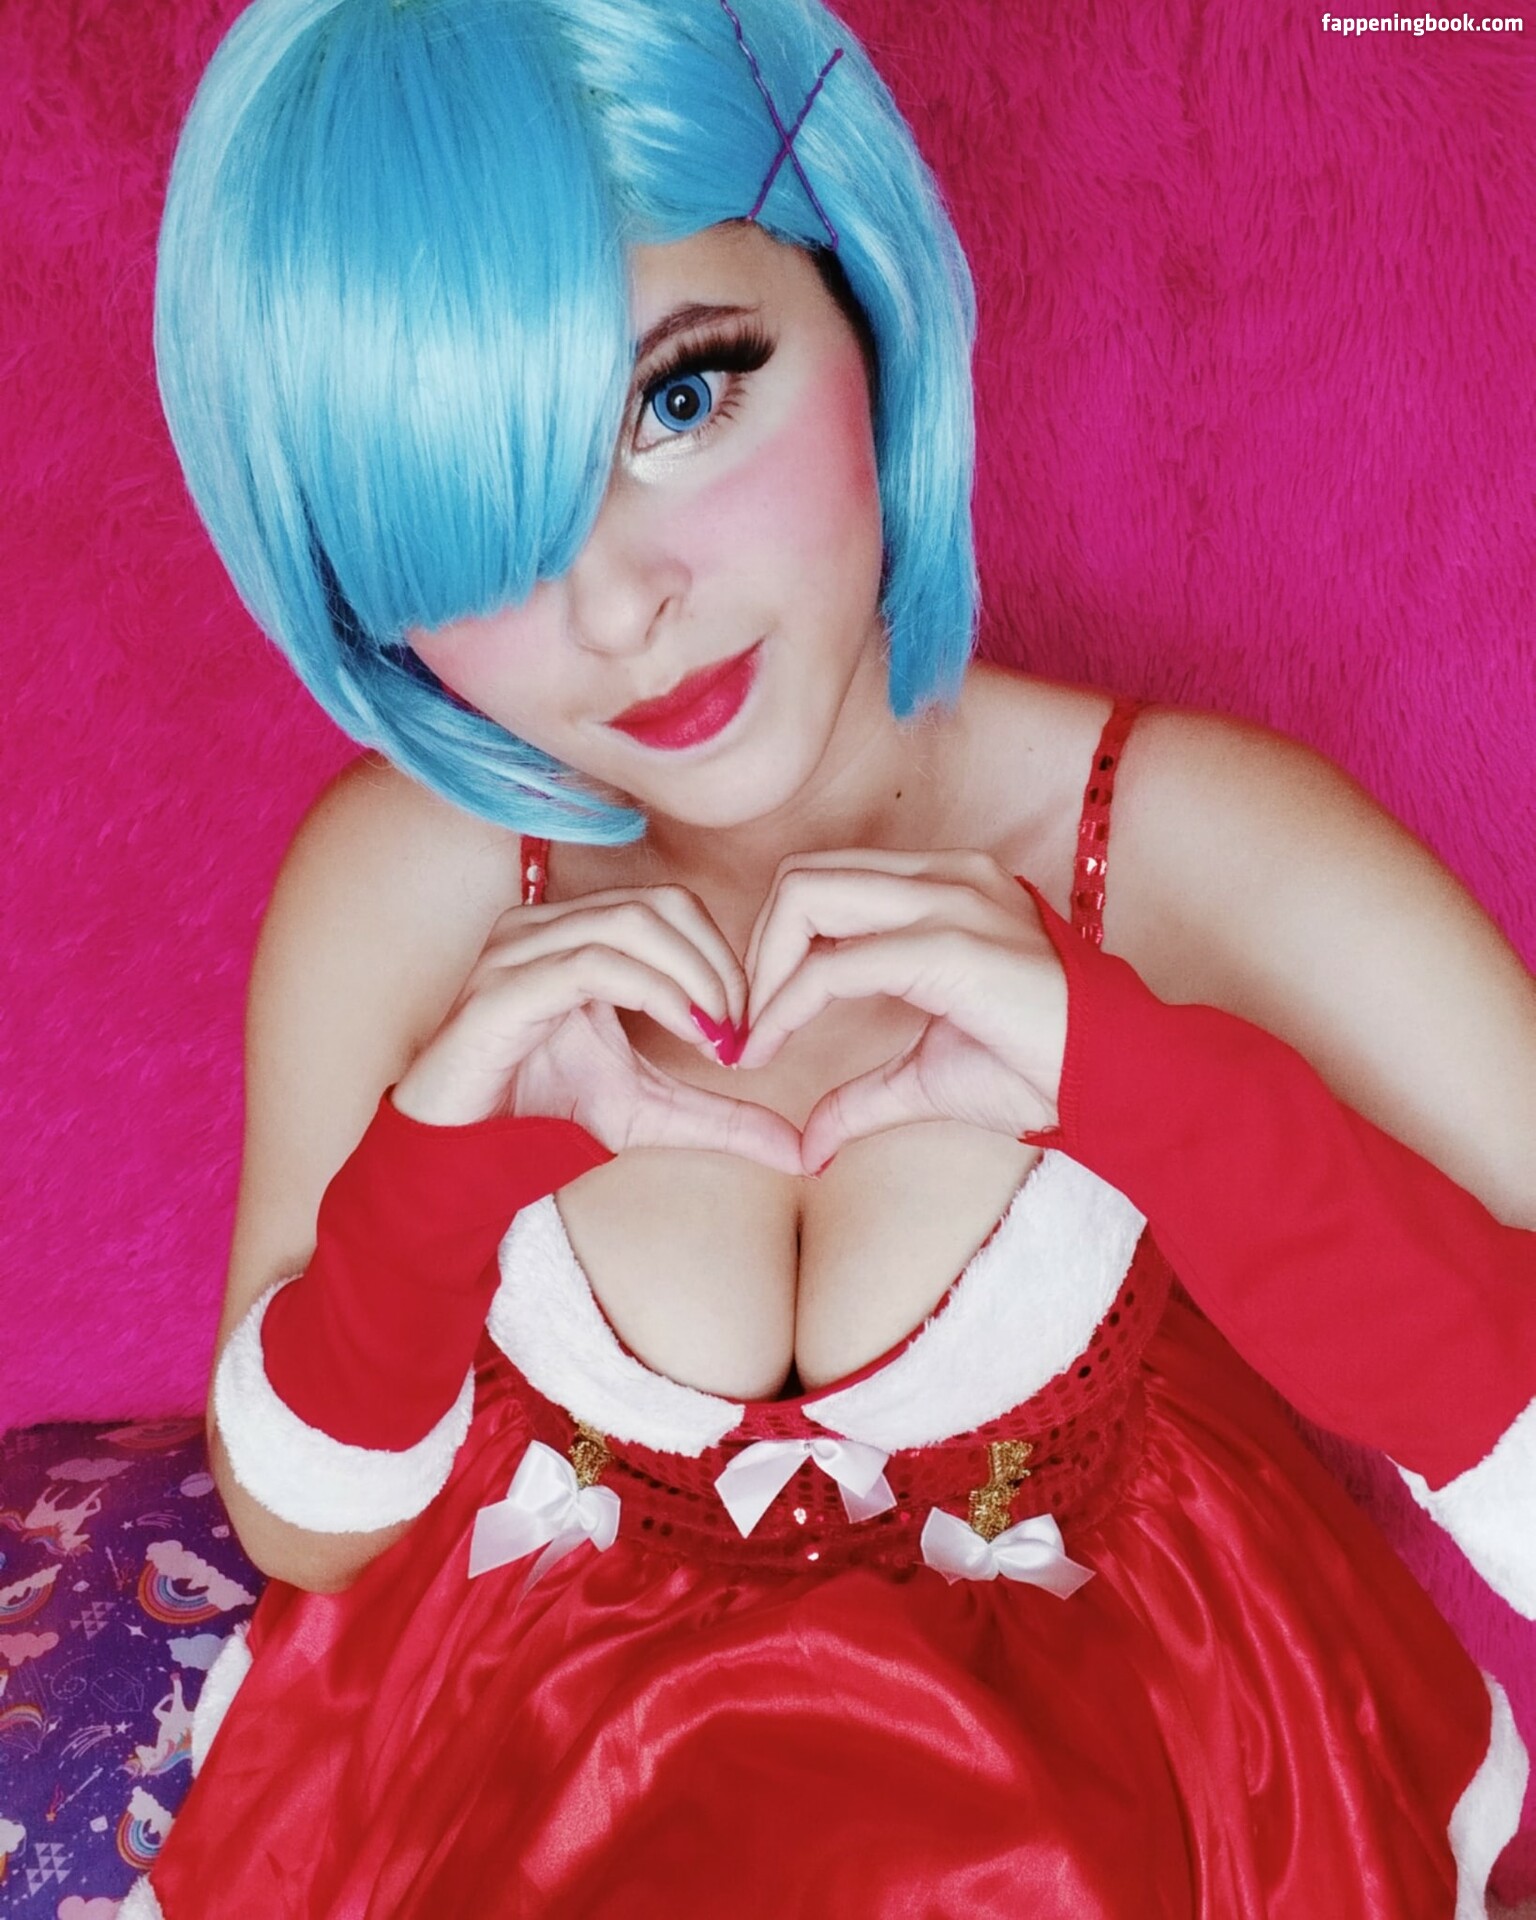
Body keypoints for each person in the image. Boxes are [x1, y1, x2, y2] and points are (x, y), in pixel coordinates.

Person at [125, 0, 1536, 1911]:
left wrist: (1165, 1101)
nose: (619, 606)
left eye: (679, 400)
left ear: (856, 287)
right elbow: (304, 1529)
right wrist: (433, 1180)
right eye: (479, 528)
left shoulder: (1190, 849)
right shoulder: (407, 887)